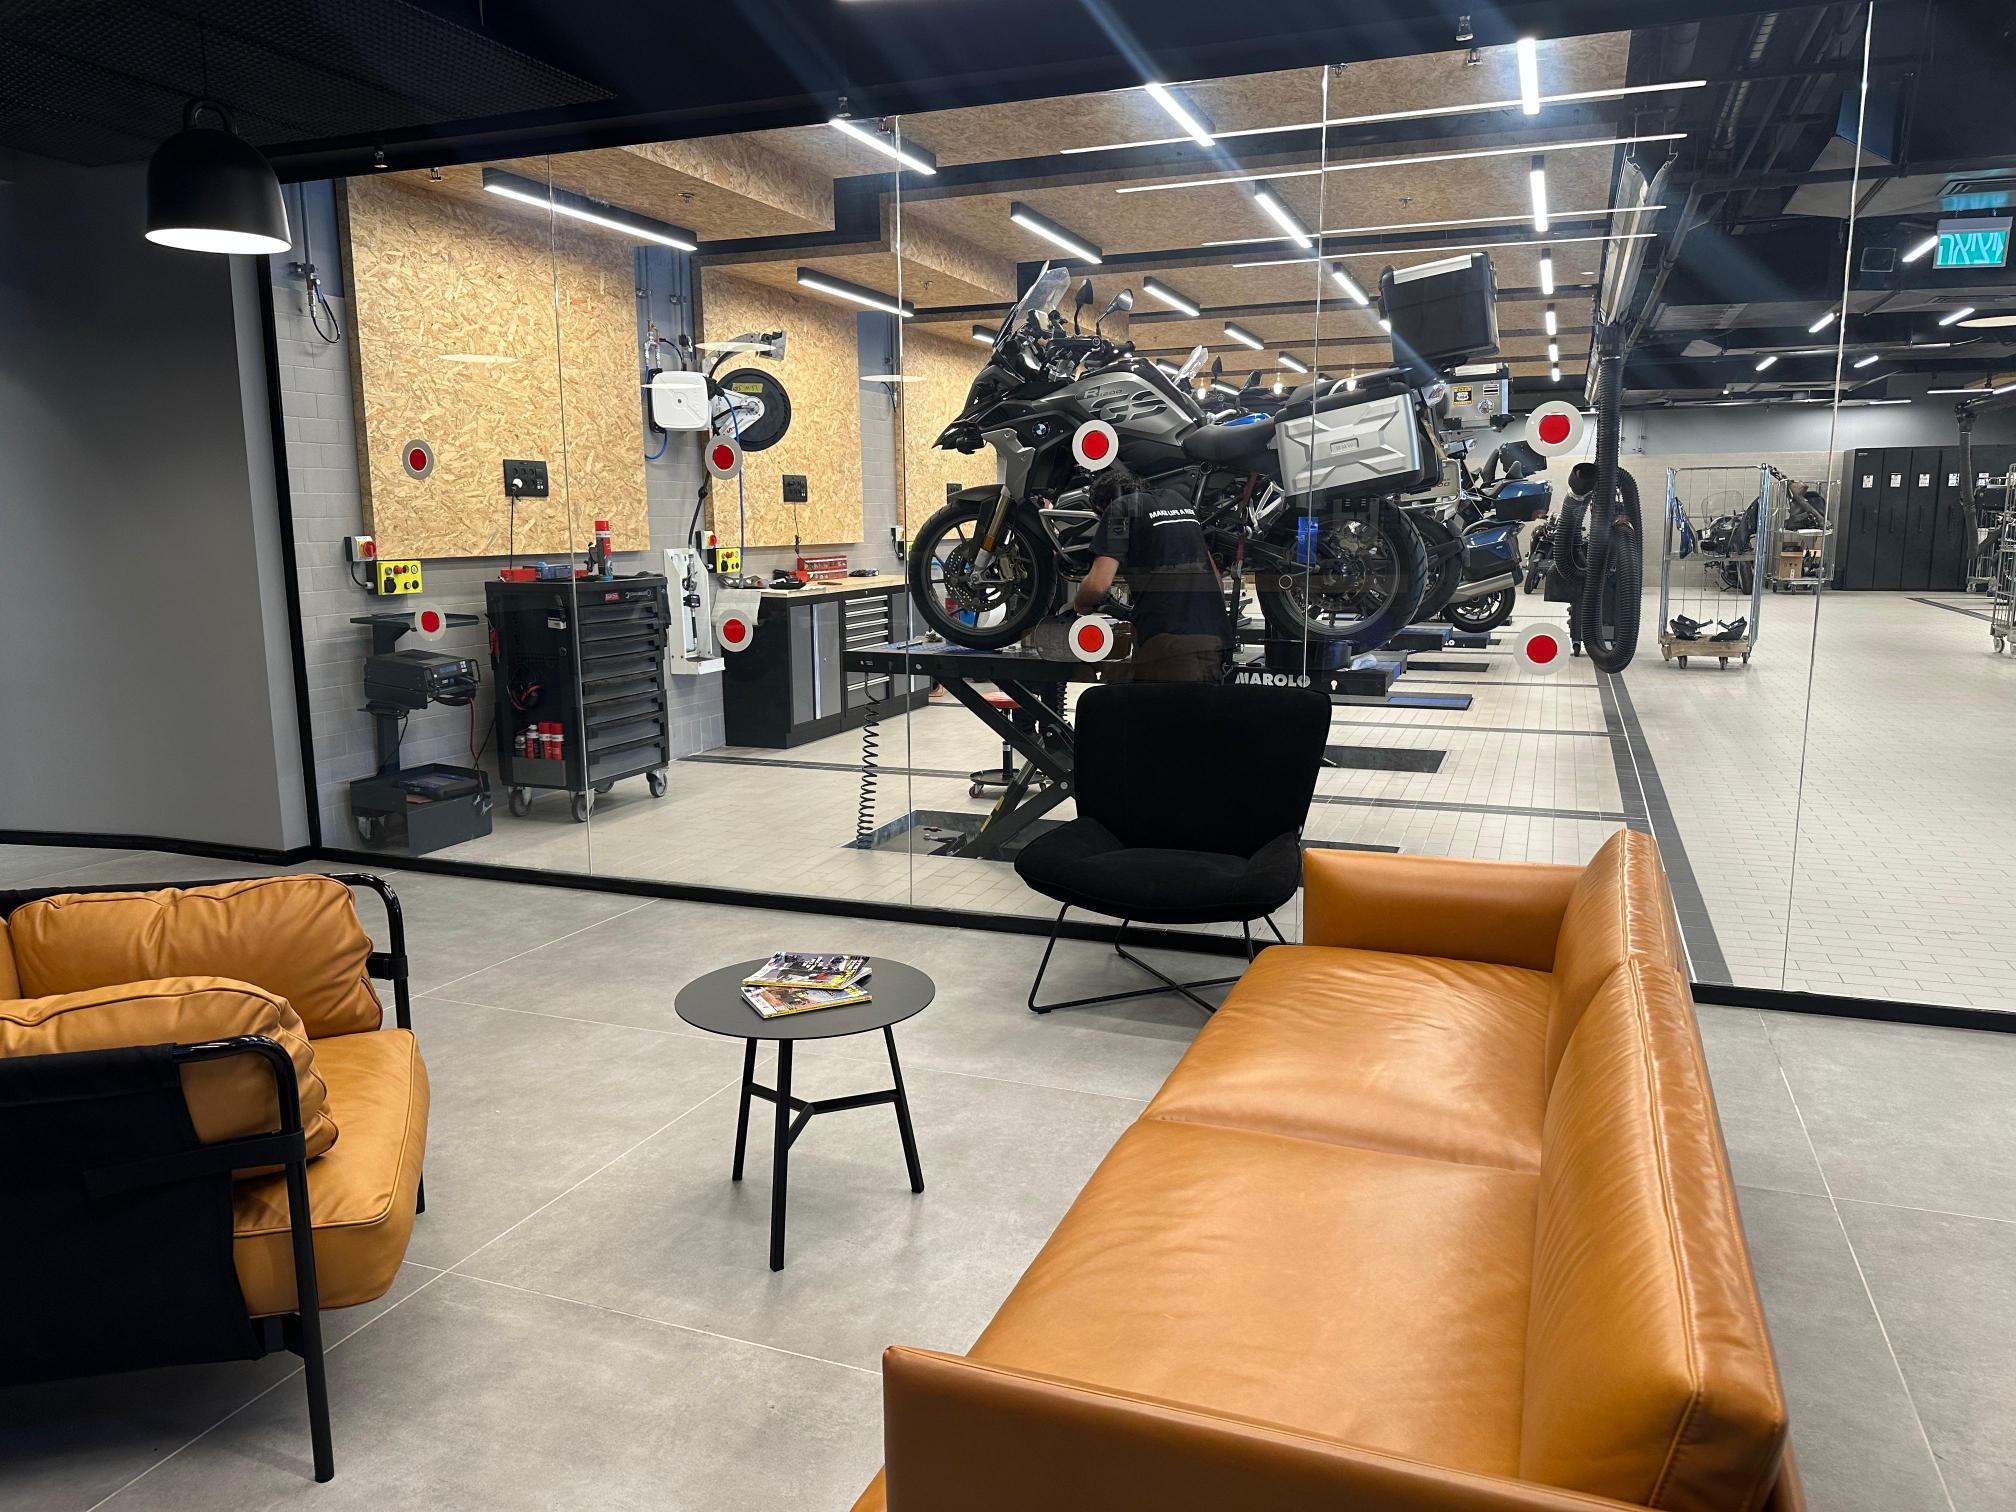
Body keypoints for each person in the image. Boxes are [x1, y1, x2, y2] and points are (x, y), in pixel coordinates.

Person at [1073, 463, 1232, 682]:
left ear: (1103, 507)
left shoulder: (1120, 508)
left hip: (1168, 644)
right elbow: (1216, 580)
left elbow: (1098, 585)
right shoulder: (1178, 501)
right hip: (1212, 639)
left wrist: (1081, 603)